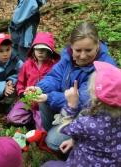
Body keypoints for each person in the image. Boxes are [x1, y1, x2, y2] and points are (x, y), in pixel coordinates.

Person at [26, 22, 117, 151]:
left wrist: (49, 97)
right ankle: (52, 132)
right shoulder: (68, 57)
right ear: (71, 47)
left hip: (88, 117)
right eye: (78, 50)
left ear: (97, 45)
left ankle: (73, 149)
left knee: (53, 141)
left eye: (88, 50)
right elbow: (55, 76)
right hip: (68, 106)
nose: (83, 55)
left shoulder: (105, 68)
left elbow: (86, 100)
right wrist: (40, 88)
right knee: (43, 100)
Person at [42, 61, 121, 167]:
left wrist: (71, 105)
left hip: (82, 163)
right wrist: (73, 141)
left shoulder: (86, 123)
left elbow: (64, 129)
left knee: (48, 165)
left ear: (94, 94)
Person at [7, 32, 60, 129]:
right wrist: (22, 92)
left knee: (43, 128)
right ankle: (30, 117)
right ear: (33, 49)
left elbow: (56, 84)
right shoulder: (27, 64)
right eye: (38, 49)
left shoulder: (54, 67)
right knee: (12, 117)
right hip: (28, 100)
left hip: (42, 102)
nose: (40, 52)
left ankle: (36, 118)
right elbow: (20, 82)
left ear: (50, 51)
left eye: (44, 50)